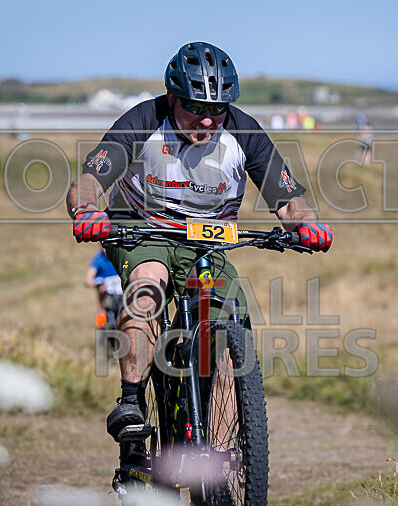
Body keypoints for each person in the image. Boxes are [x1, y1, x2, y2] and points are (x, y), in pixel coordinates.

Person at [66, 41, 333, 441]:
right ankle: (132, 402)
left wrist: (308, 224)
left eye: (216, 110)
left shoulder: (244, 131)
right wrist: (87, 210)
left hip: (208, 240)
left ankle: (218, 473)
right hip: (143, 228)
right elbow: (89, 179)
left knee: (229, 346)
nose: (207, 121)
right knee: (147, 286)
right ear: (172, 98)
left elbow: (289, 199)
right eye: (195, 108)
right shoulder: (143, 119)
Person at [85, 249, 123, 330]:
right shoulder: (99, 258)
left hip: (119, 283)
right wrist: (96, 283)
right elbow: (88, 278)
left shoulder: (119, 254)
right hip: (105, 284)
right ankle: (101, 314)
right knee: (101, 291)